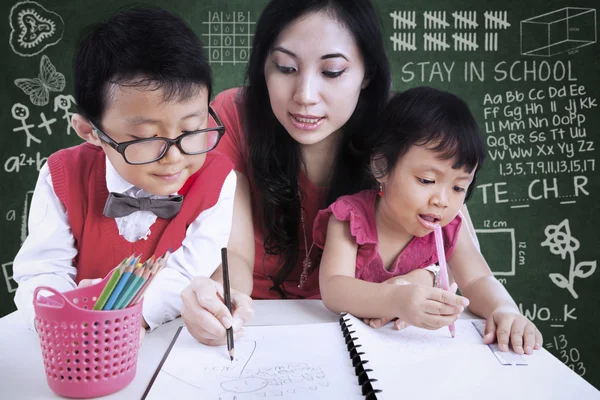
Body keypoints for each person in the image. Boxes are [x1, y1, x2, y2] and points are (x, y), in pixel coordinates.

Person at [182, 0, 480, 344]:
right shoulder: (233, 116)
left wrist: (423, 277)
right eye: (285, 67)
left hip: (365, 330)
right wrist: (221, 300)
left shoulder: (404, 130)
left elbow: (453, 243)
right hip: (257, 322)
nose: (305, 96)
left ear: (367, 72)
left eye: (332, 72)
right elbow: (234, 253)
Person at [12, 7, 248, 336]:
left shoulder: (217, 178)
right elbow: (42, 270)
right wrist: (66, 320)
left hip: (164, 341)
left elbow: (186, 272)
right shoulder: (61, 176)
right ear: (90, 131)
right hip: (74, 345)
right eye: (146, 139)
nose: (175, 157)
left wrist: (120, 324)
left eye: (192, 128)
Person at [314, 87, 543, 355]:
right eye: (427, 180)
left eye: (458, 188)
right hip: (345, 351)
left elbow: (478, 279)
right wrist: (396, 299)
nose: (442, 200)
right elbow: (333, 289)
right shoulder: (350, 218)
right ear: (381, 167)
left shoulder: (448, 227)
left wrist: (503, 308)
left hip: (417, 354)